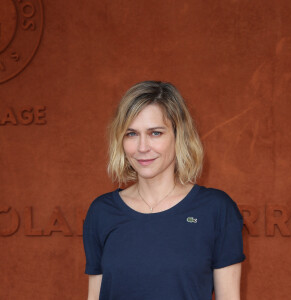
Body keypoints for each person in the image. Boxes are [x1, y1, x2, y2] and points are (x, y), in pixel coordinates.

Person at [83, 81, 246, 300]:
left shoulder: (216, 209)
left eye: (155, 133)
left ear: (179, 135)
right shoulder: (102, 212)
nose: (142, 147)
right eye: (131, 134)